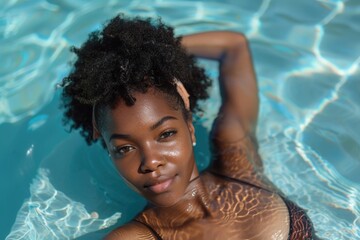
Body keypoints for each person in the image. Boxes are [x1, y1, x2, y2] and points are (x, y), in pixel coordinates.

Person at [61, 14, 316, 240]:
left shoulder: (237, 160)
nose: (150, 162)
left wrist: (147, 58)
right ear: (107, 149)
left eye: (166, 134)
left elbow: (234, 46)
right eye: (124, 148)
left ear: (190, 126)